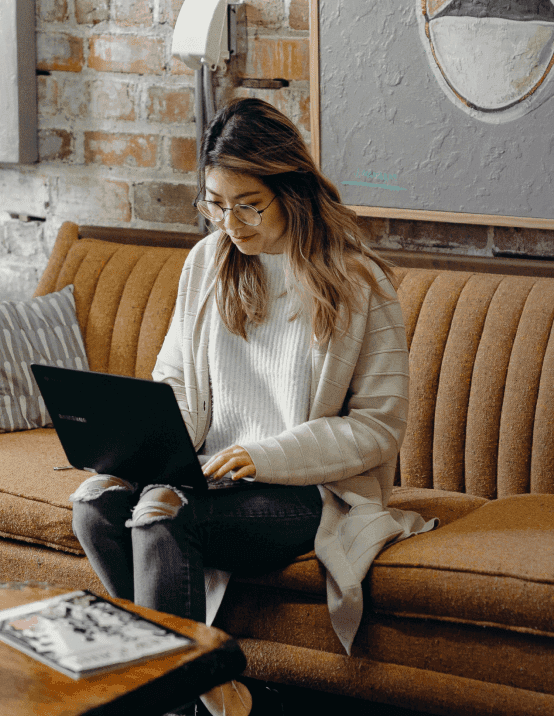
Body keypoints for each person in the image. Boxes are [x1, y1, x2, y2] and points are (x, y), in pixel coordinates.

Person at [70, 97, 436, 716]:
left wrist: (258, 456)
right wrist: (146, 449)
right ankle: (205, 679)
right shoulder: (207, 263)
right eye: (215, 203)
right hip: (211, 472)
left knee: (162, 514)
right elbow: (177, 381)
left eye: (248, 205)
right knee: (97, 505)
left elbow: (377, 428)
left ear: (290, 191)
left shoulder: (359, 282)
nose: (229, 223)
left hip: (310, 490)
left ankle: (172, 696)